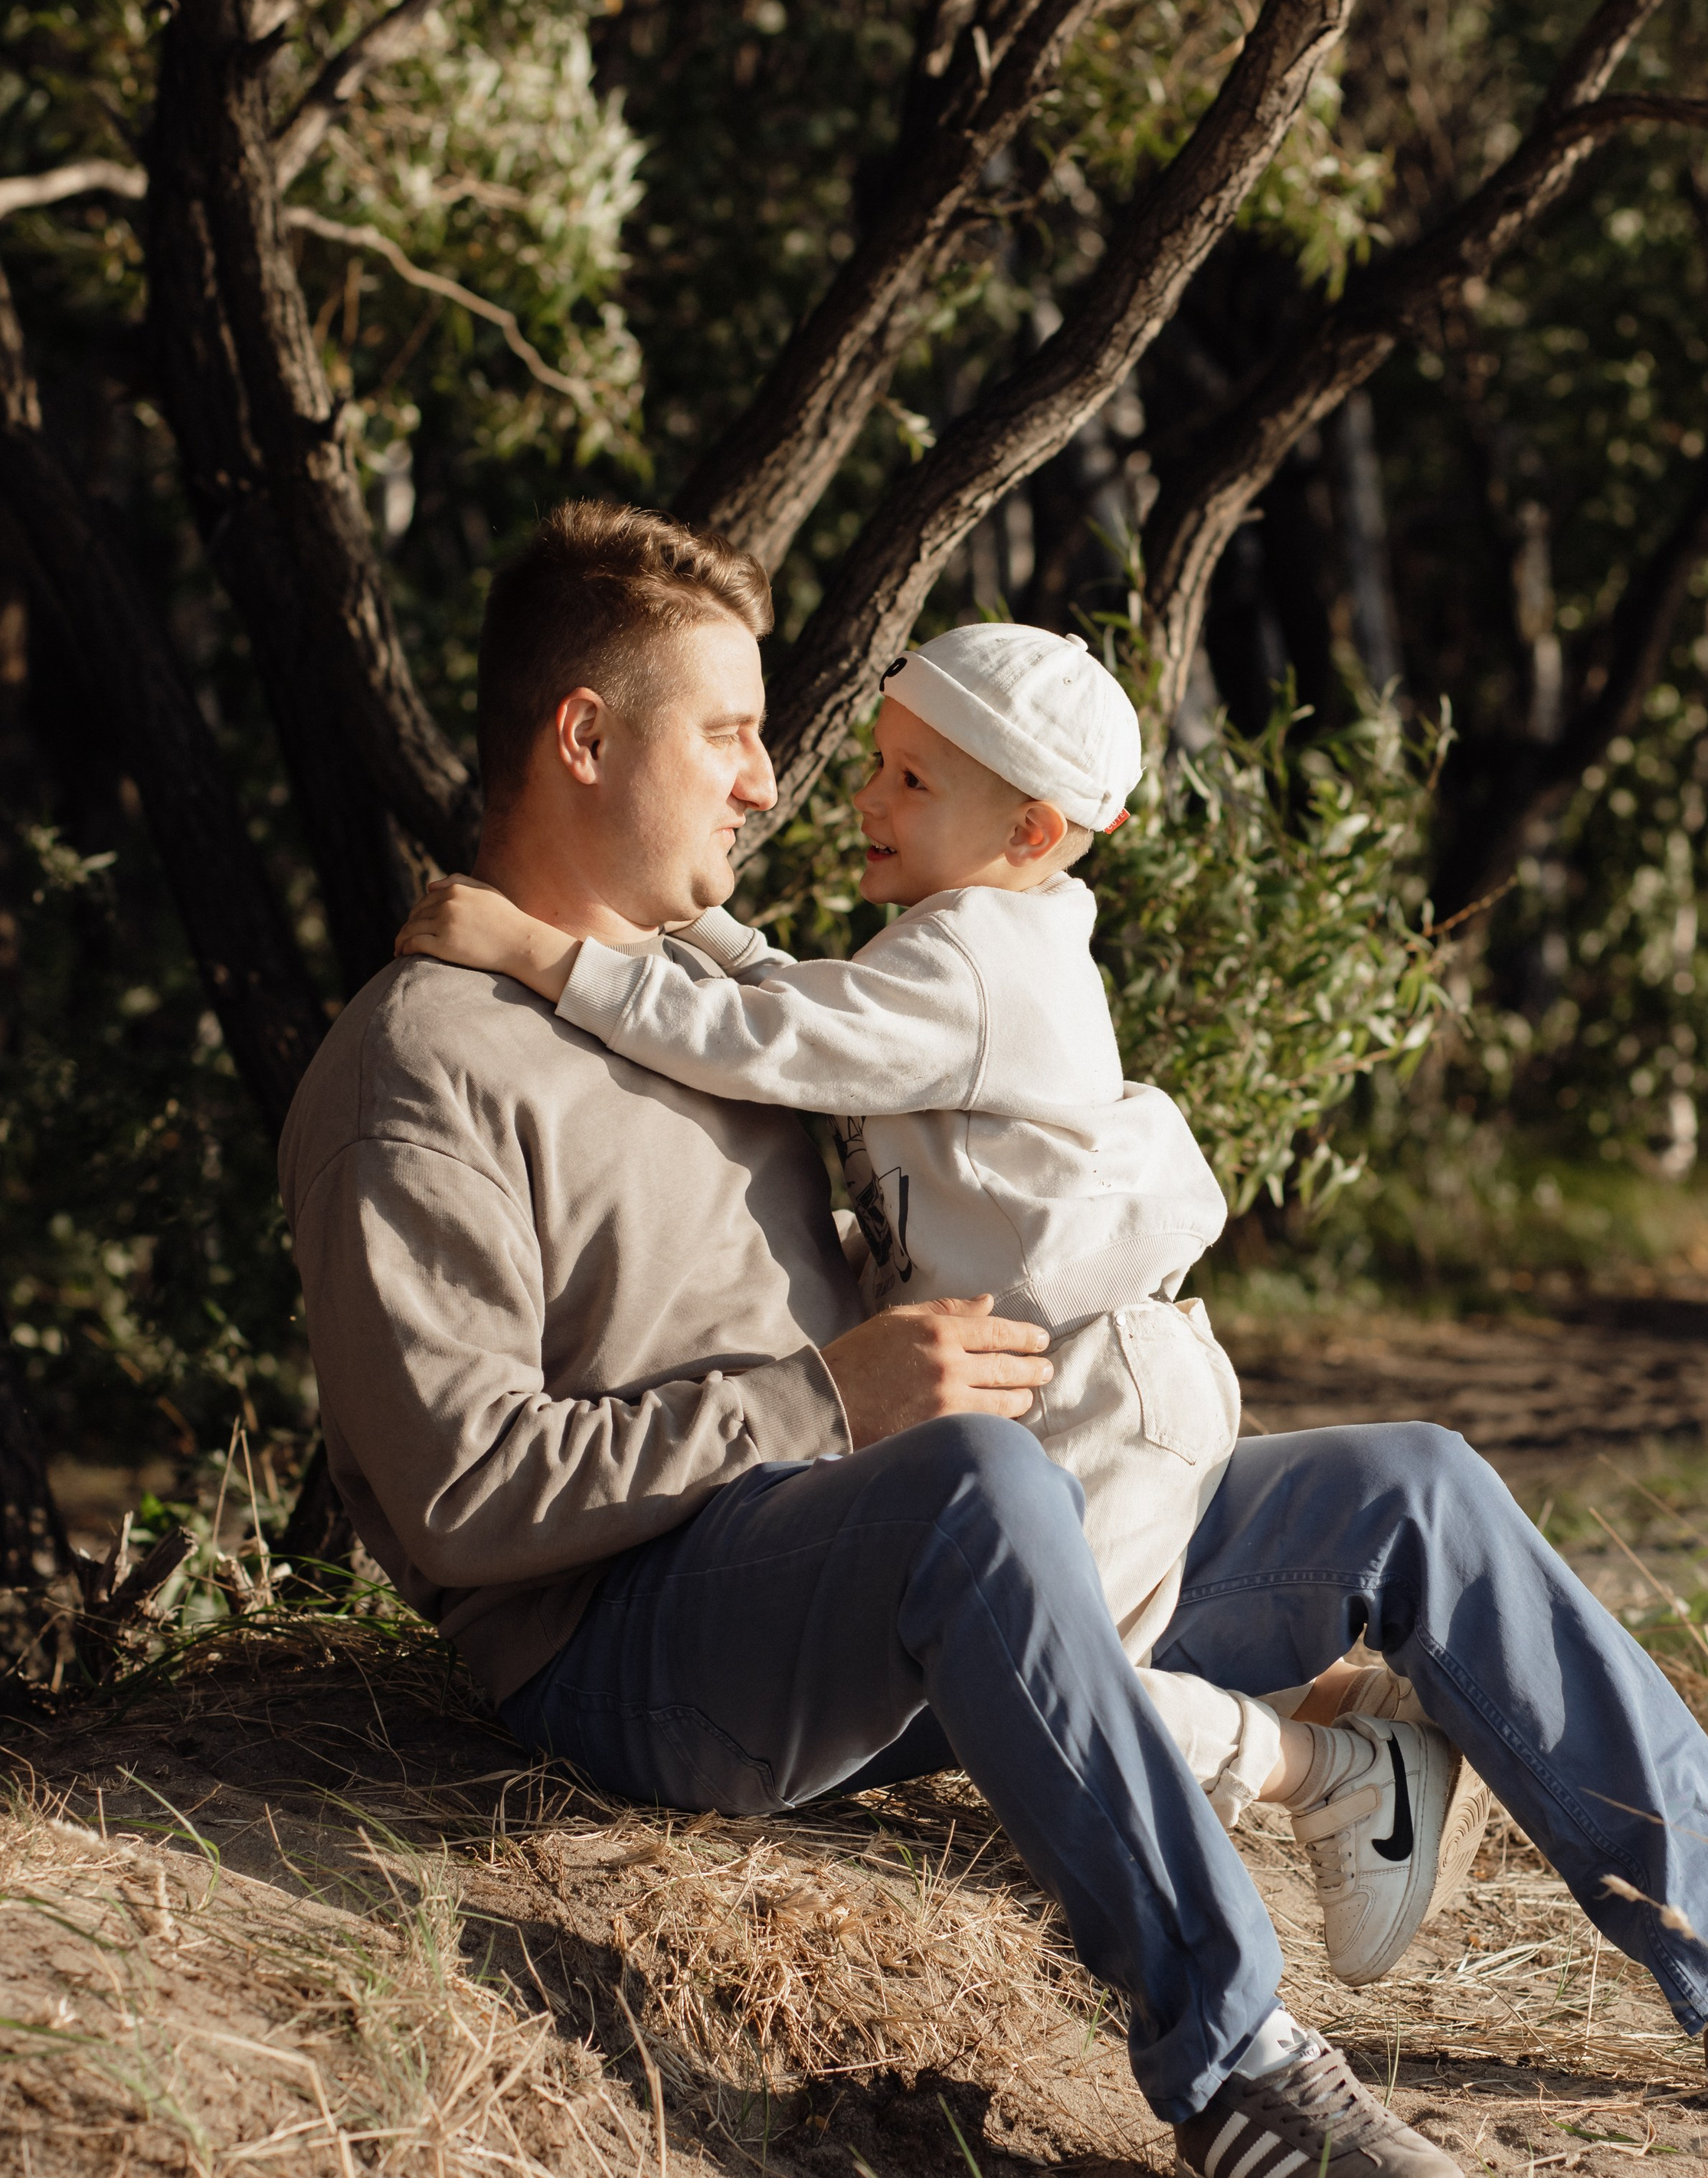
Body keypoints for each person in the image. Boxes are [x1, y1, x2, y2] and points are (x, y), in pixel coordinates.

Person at [280, 499, 1708, 2178]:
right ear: (582, 735)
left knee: (1411, 1486)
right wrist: (824, 1406)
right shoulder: (422, 1067)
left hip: (907, 1563)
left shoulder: (721, 992)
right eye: (726, 733)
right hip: (643, 1653)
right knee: (976, 1487)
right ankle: (1232, 2060)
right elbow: (461, 1497)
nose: (767, 783)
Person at [395, 617, 1489, 1992]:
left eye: (912, 782)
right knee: (1039, 1661)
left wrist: (551, 956)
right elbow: (805, 1007)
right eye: (883, 765)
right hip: (1079, 1375)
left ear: (1030, 830)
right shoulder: (957, 946)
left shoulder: (982, 959)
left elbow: (771, 1039)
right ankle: (1330, 1738)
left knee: (1046, 1675)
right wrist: (702, 924)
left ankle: (1324, 1777)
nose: (858, 797)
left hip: (1084, 1384)